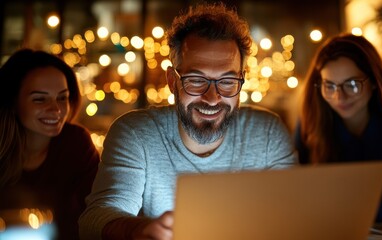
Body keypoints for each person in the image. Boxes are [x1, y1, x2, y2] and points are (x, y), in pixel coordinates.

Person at [79, 2, 297, 240]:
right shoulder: (135, 133)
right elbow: (95, 219)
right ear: (173, 81)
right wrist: (139, 229)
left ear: (241, 80)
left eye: (227, 81)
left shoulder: (267, 133)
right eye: (196, 79)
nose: (212, 98)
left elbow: (297, 218)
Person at [294, 33, 382, 222]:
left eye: (352, 84)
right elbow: (293, 191)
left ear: (374, 81)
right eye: (329, 86)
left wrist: (371, 212)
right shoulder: (311, 118)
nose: (339, 97)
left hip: (381, 226)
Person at [0, 49, 100, 239]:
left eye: (62, 97)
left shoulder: (77, 144)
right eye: (40, 99)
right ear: (13, 102)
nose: (56, 109)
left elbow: (98, 213)